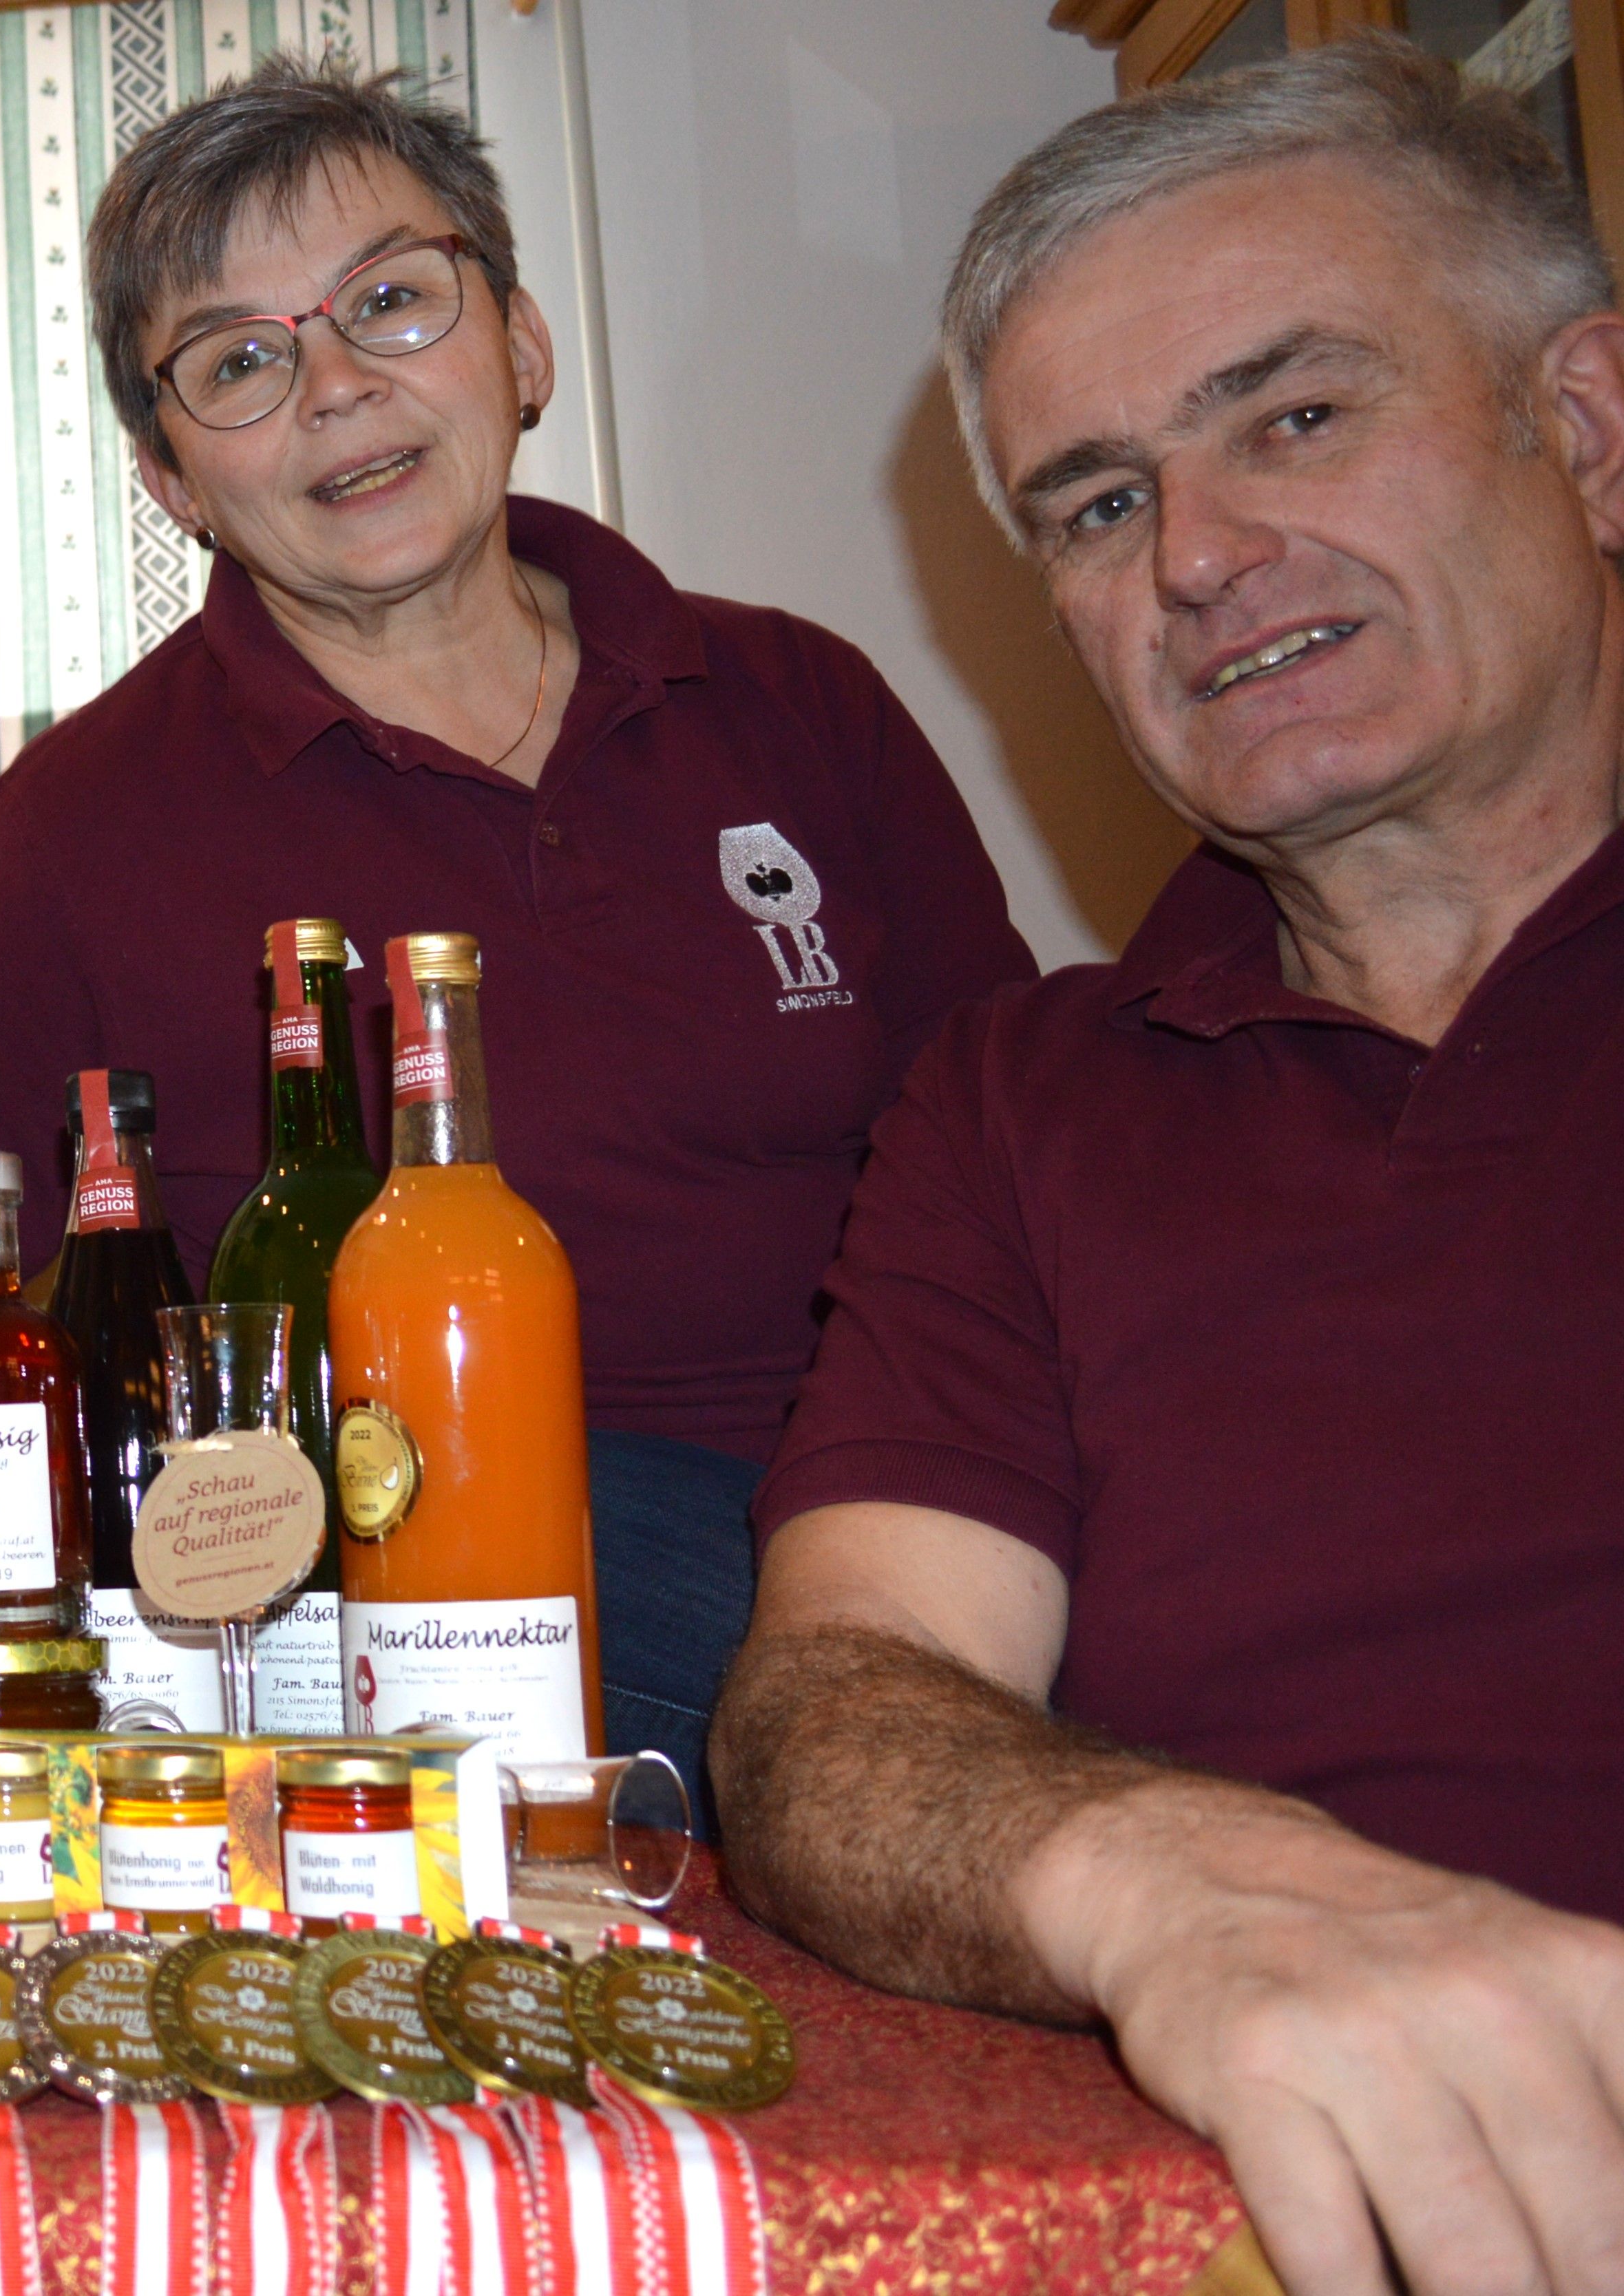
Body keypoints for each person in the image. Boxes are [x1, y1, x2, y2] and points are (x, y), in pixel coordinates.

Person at [716, 41, 1624, 2296]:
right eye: (1095, 503)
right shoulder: (1020, 1097)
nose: (1203, 555)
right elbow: (834, 1707)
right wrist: (1172, 1880)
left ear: (1586, 425)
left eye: (1293, 413)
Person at [0, 59, 1035, 1796]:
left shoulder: (796, 702)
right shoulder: (54, 848)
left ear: (516, 341)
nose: (337, 387)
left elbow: (1012, 1165)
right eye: (239, 359)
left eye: (389, 300)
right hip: (424, 1583)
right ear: (171, 478)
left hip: (892, 1492)